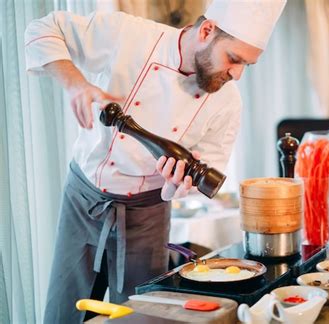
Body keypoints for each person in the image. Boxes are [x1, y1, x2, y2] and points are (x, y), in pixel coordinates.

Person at [24, 0, 286, 322]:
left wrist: (175, 185)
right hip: (84, 201)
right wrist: (76, 85)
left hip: (149, 216)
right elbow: (42, 30)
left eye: (247, 64)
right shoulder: (130, 35)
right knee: (64, 311)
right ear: (206, 31)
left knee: (141, 314)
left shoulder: (228, 102)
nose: (237, 74)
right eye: (233, 59)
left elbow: (205, 172)